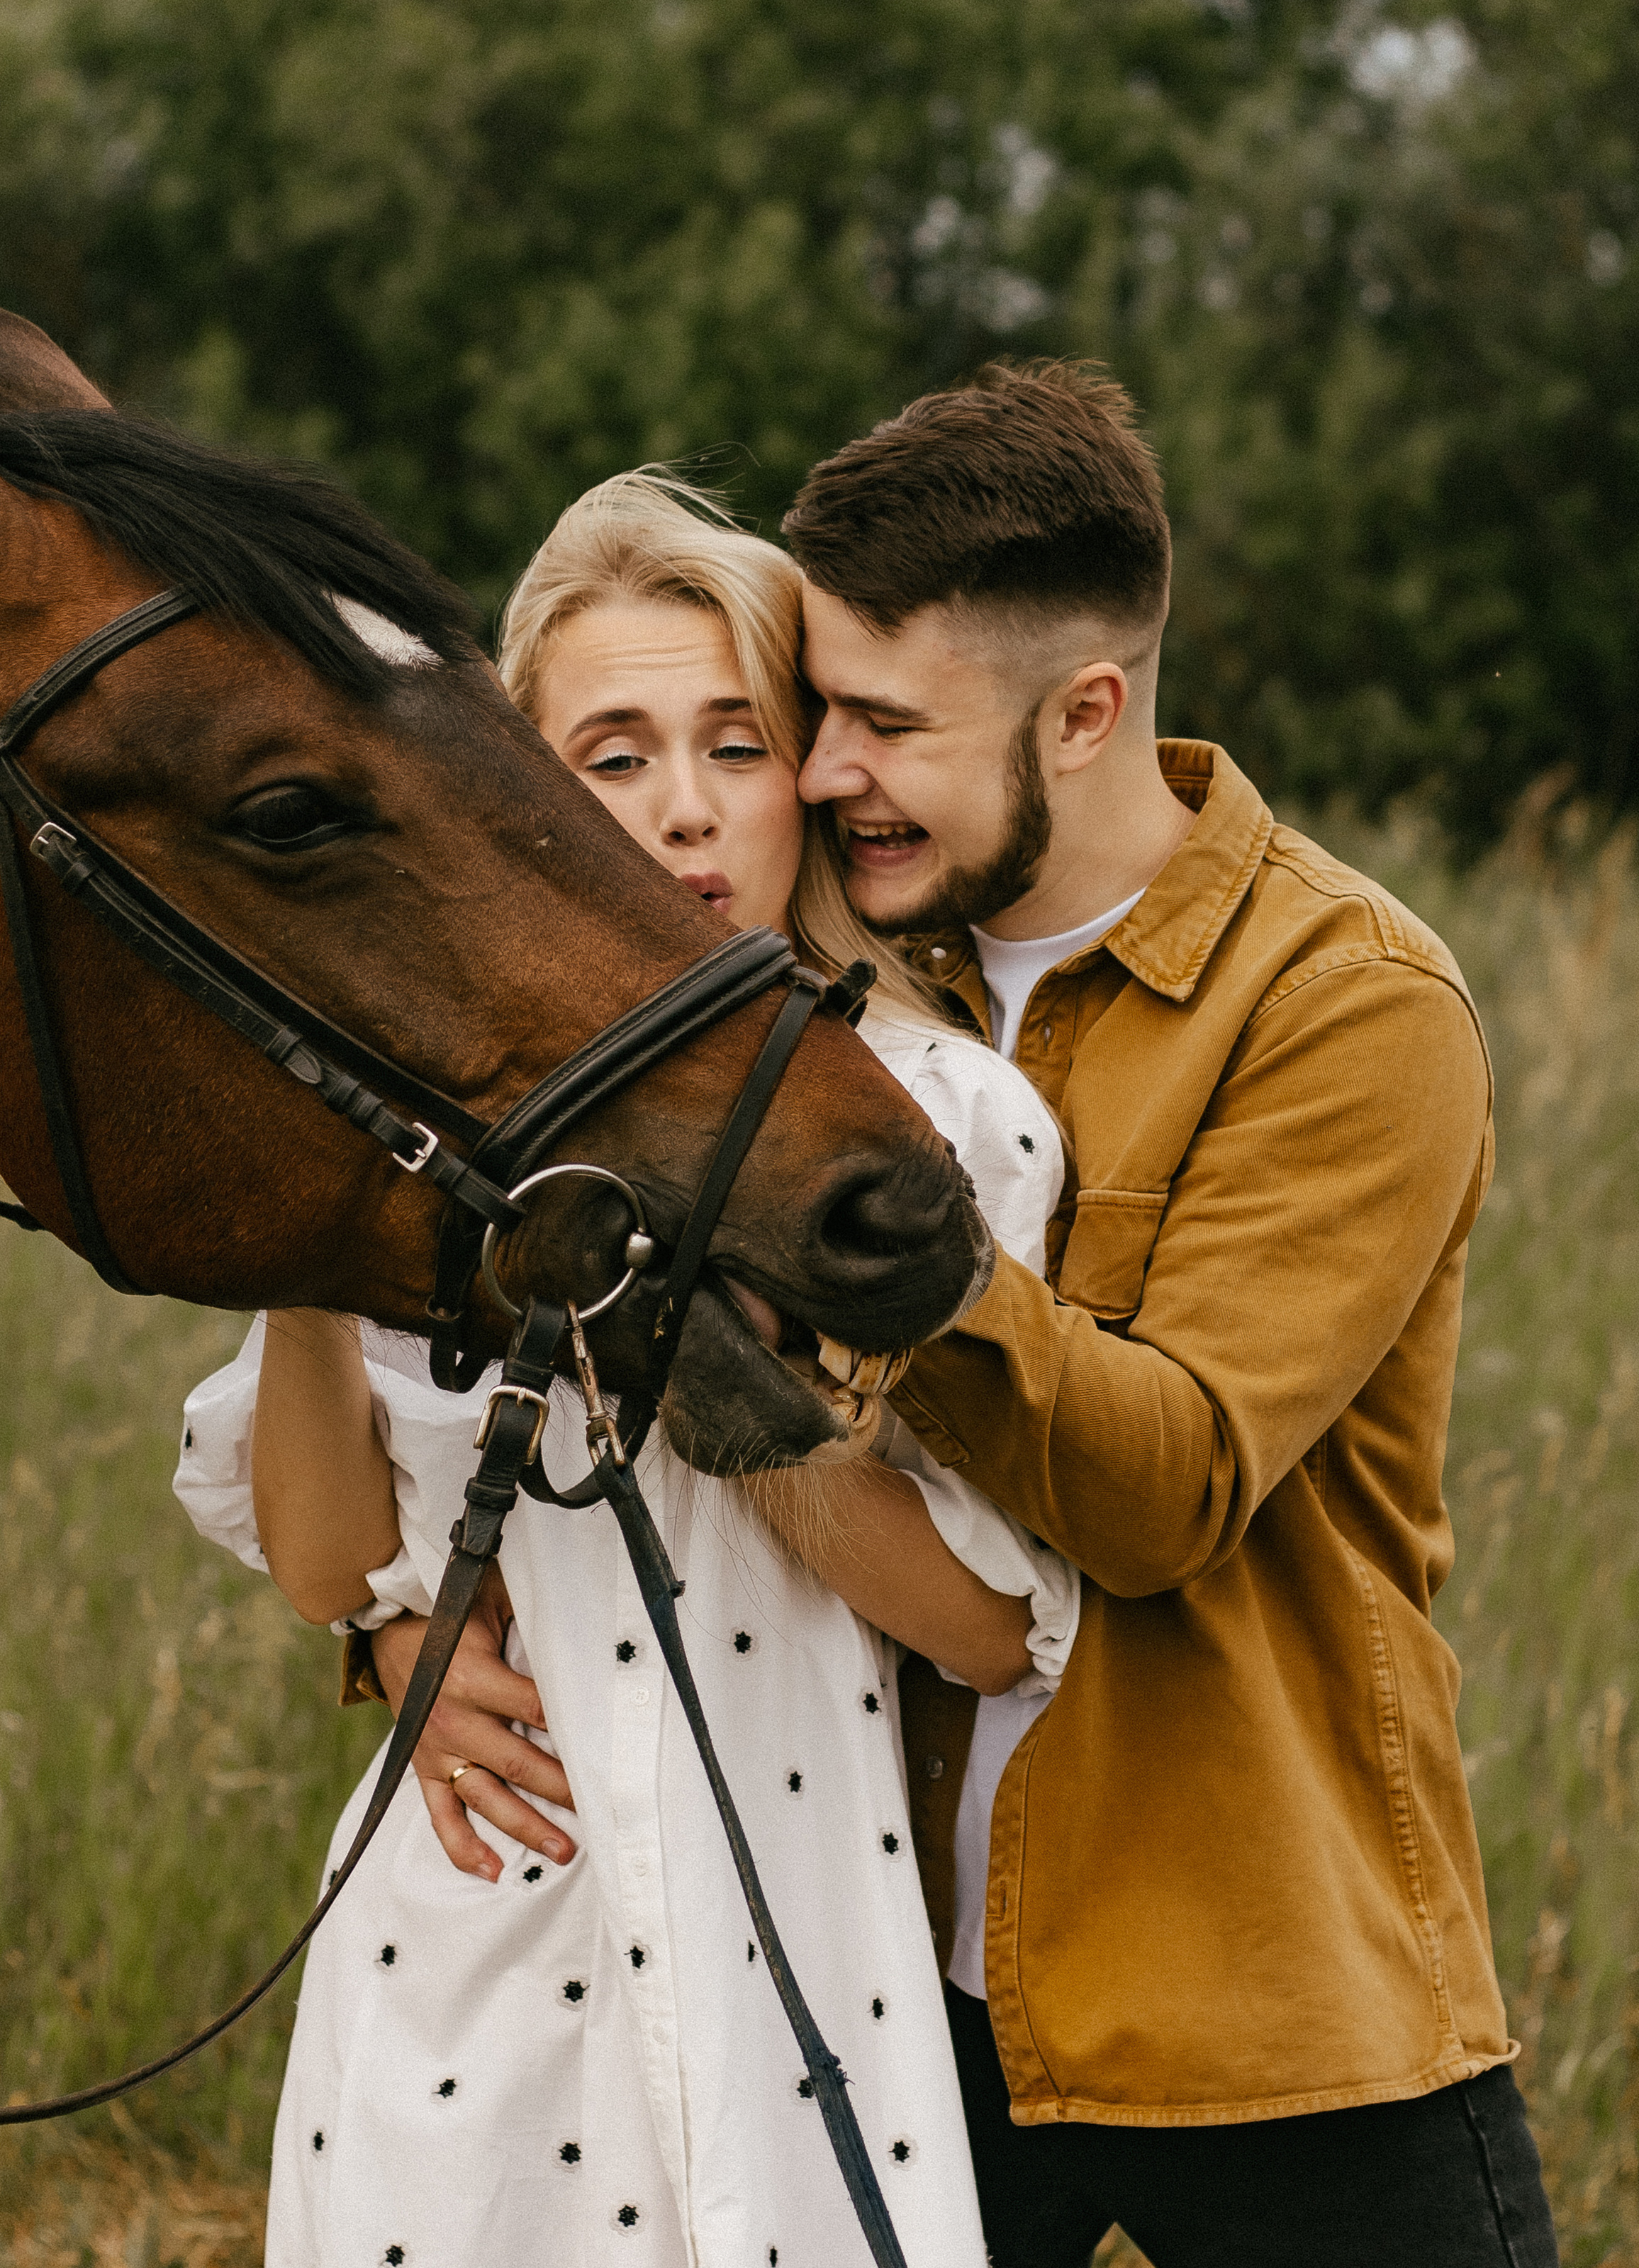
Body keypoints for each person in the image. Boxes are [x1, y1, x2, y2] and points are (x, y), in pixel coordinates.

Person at [173, 472, 1076, 2268]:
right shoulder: (432, 1129)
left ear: (798, 777)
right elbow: (321, 1562)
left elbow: (987, 1624)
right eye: (611, 755)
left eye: (733, 743)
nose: (683, 808)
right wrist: (307, 1246)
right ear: (521, 796)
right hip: (471, 1963)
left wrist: (707, 1384)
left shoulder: (940, 1120)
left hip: (802, 1962)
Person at [774, 361, 1562, 2268]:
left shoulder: (1351, 1001)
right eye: (813, 714)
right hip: (892, 2009)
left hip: (1276, 2006)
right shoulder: (838, 974)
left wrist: (868, 1209)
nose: (817, 776)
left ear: (1090, 707)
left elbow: (1161, 1489)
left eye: (884, 722)